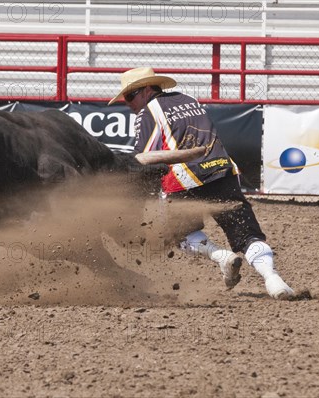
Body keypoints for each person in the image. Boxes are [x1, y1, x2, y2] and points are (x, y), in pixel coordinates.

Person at [108, 67, 295, 300]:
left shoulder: (148, 113)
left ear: (146, 90)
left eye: (129, 96)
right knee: (247, 234)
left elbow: (144, 158)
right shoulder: (189, 99)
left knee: (182, 235)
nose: (128, 103)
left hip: (183, 180)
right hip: (221, 170)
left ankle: (221, 256)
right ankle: (274, 281)